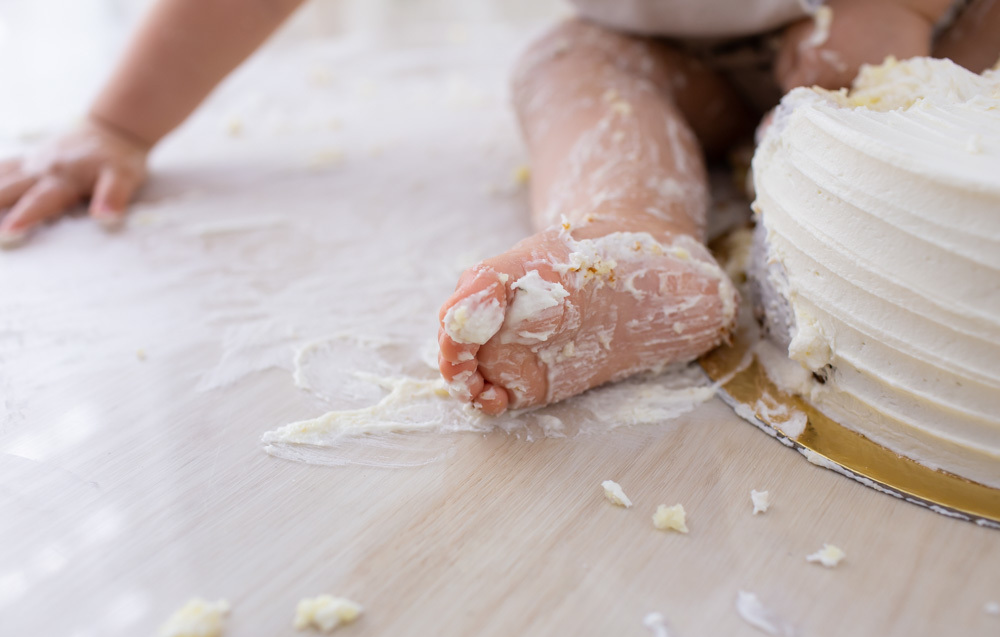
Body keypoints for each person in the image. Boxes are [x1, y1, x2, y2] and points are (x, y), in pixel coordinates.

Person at [0, 0, 996, 413]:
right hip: (658, 51)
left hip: (931, 36)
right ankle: (628, 241)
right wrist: (117, 125)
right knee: (567, 68)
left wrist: (903, 9)